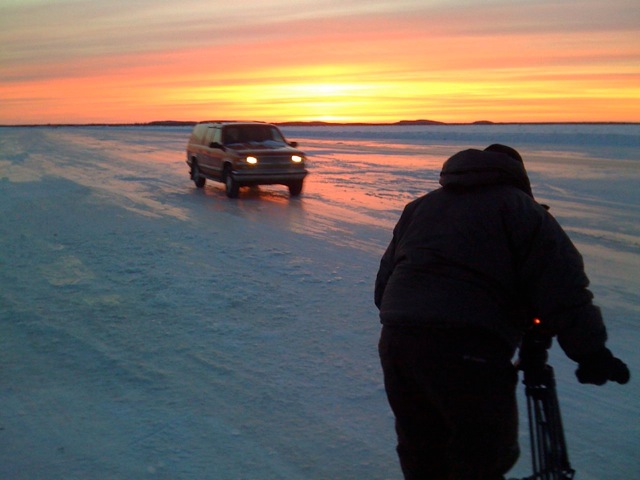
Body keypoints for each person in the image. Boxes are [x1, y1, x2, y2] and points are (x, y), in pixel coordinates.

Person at [374, 144, 630, 480]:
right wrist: (591, 352)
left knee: (422, 450)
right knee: (482, 454)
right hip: (468, 347)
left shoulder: (420, 207)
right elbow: (562, 288)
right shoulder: (522, 210)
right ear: (517, 176)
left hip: (398, 341)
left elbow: (384, 286)